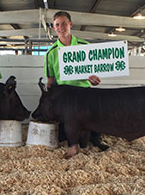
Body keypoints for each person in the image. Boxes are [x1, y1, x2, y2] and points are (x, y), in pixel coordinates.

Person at [44, 11, 106, 149]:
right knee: (64, 124)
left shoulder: (85, 46)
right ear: (54, 28)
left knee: (94, 116)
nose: (61, 27)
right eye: (57, 25)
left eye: (64, 24)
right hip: (64, 94)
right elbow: (50, 80)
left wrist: (94, 80)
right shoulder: (51, 53)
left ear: (70, 24)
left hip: (84, 90)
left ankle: (97, 138)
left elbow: (94, 73)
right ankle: (67, 139)